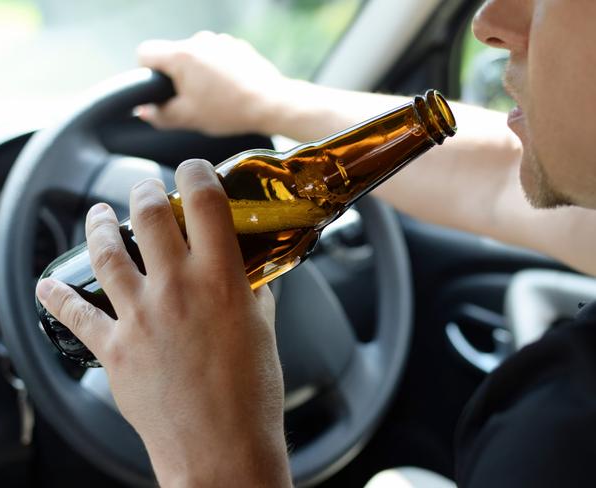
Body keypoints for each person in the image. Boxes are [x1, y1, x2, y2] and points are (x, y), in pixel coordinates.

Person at [36, 0, 596, 486]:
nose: (488, 22)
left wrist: (215, 449)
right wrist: (266, 100)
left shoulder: (562, 437)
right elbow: (497, 178)